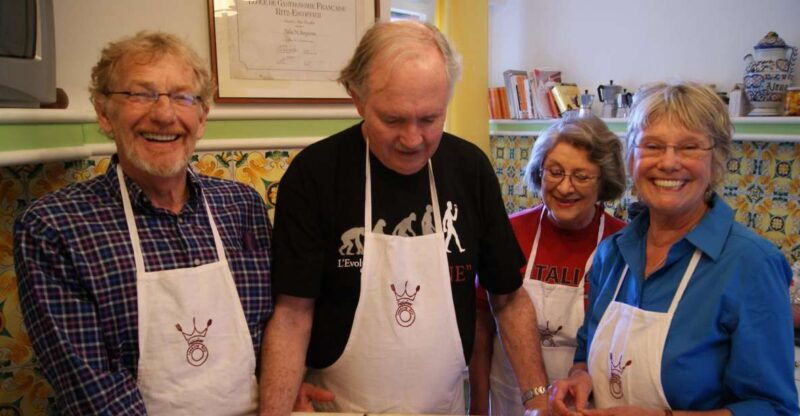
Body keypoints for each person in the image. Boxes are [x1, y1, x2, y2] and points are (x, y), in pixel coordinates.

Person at [260, 21, 548, 415]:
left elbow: (509, 299)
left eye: (430, 119)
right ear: (357, 98)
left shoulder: (469, 169)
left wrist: (537, 397)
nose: (413, 140)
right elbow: (292, 316)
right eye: (393, 120)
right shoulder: (315, 175)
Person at [13, 32, 273, 415]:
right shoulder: (53, 228)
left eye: (183, 97)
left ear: (201, 118)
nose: (165, 114)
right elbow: (91, 390)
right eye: (140, 94)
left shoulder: (241, 205)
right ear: (104, 113)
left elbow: (275, 333)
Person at [549, 81, 799, 416]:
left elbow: (774, 408)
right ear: (631, 159)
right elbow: (586, 350)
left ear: (716, 162)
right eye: (651, 146)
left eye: (689, 147)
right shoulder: (613, 253)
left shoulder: (751, 264)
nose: (668, 163)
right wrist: (581, 378)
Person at [470, 114, 627, 415]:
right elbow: (482, 328)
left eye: (581, 176)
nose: (565, 188)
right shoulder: (508, 233)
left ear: (604, 181)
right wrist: (477, 408)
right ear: (539, 173)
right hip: (511, 398)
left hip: (589, 404)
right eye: (555, 172)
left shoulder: (622, 243)